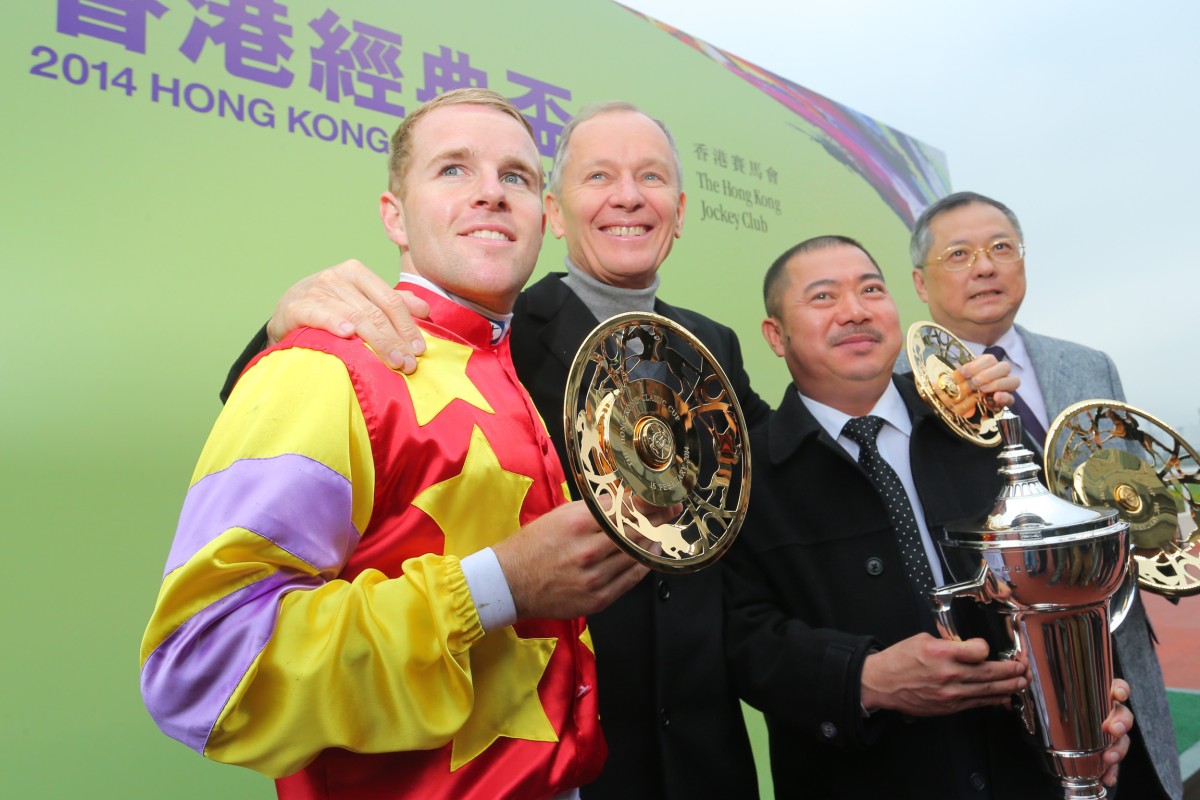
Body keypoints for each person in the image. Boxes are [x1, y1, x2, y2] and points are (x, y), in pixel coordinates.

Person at [218, 101, 766, 800]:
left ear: (680, 210)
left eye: (650, 177)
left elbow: (768, 469)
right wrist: (283, 327)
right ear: (555, 214)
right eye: (599, 177)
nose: (628, 196)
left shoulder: (709, 346)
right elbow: (286, 411)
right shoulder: (486, 330)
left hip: (700, 753)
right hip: (546, 744)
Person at [723, 235, 1136, 799]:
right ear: (776, 335)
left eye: (872, 289)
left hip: (1026, 771)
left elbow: (1061, 588)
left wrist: (1099, 706)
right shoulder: (745, 478)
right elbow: (739, 634)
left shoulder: (985, 431)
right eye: (824, 297)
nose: (856, 311)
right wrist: (862, 678)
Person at [904, 192, 1182, 800]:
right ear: (921, 285)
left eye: (1002, 247)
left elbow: (1134, 491)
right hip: (1017, 687)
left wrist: (1171, 546)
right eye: (960, 253)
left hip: (1121, 654)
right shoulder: (907, 402)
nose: (986, 266)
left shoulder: (1088, 366)